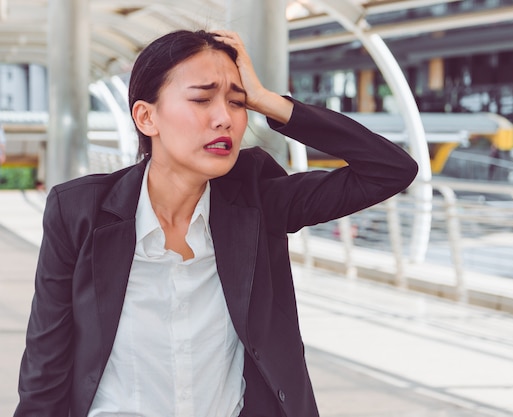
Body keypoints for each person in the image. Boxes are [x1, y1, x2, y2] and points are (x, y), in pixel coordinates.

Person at [14, 29, 418, 417]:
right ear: (146, 117)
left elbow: (390, 170)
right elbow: (45, 369)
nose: (225, 118)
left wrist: (268, 101)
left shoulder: (258, 201)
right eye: (202, 99)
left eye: (237, 102)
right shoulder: (79, 211)